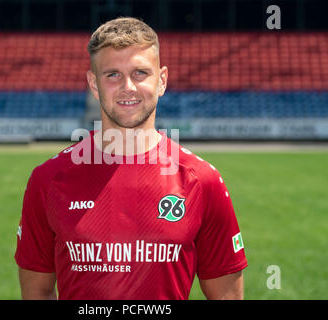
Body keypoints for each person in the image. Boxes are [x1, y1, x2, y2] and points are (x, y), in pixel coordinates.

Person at [14, 17, 248, 300]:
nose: (128, 87)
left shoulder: (202, 180)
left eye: (140, 73)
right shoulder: (48, 179)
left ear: (161, 80)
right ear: (94, 83)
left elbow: (227, 297)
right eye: (112, 74)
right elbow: (36, 292)